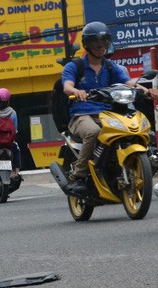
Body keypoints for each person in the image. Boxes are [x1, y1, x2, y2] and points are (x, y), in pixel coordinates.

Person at [62, 21, 150, 192]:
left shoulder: (110, 66)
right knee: (93, 132)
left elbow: (128, 82)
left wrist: (147, 90)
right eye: (96, 42)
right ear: (87, 44)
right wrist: (76, 91)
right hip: (81, 114)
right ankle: (79, 176)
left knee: (131, 128)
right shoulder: (75, 66)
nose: (101, 46)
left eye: (104, 42)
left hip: (106, 112)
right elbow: (67, 87)